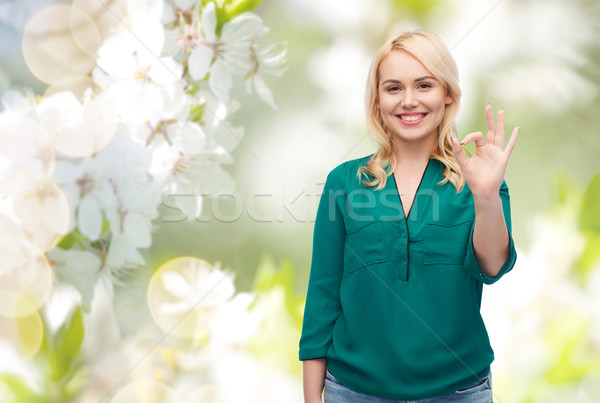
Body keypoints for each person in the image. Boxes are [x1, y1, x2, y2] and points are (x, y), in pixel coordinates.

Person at [299, 30, 519, 403]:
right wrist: (310, 397)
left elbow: (493, 266)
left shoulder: (478, 179)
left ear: (447, 94)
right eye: (394, 88)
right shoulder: (345, 182)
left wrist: (485, 197)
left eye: (424, 85)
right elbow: (322, 296)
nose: (409, 101)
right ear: (377, 101)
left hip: (458, 390)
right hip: (353, 391)